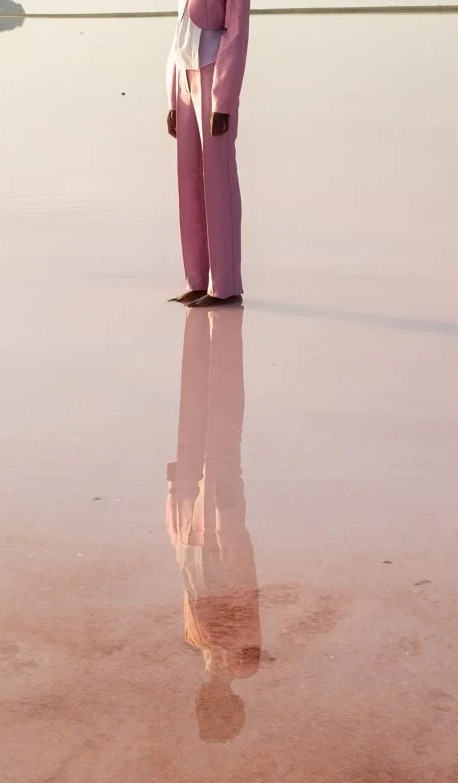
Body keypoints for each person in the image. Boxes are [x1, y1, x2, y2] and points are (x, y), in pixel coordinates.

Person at [166, 305, 260, 742]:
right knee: (218, 430)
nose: (206, 698)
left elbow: (186, 572)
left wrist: (175, 499)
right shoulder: (241, 658)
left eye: (206, 707)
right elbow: (242, 584)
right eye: (214, 707)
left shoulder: (198, 642)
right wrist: (226, 517)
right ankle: (218, 336)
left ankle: (213, 334)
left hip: (198, 529)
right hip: (218, 528)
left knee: (204, 427)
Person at [165, 0, 251, 308]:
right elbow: (179, 30)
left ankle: (226, 285)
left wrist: (224, 100)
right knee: (188, 180)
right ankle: (197, 279)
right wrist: (170, 96)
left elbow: (237, 31)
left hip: (214, 74)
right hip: (183, 76)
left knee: (218, 179)